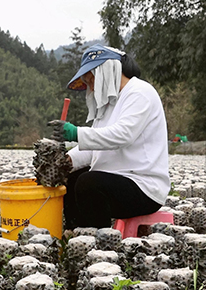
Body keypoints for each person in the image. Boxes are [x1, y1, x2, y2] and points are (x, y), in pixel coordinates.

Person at [51, 45, 170, 230]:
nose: (91, 87)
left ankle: (100, 241)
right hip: (118, 179)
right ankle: (75, 234)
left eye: (92, 81)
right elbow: (94, 147)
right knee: (71, 177)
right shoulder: (108, 104)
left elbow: (123, 135)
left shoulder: (140, 93)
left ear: (107, 70)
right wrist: (66, 160)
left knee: (88, 183)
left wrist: (77, 133)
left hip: (143, 185)